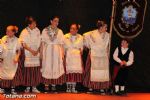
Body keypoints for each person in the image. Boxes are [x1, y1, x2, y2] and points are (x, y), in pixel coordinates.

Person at [83, 20, 110, 94]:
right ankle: (91, 87)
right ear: (100, 27)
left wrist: (107, 54)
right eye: (105, 27)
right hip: (94, 54)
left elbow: (107, 46)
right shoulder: (92, 33)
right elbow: (85, 36)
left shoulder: (107, 35)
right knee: (92, 71)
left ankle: (102, 87)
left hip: (103, 55)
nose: (106, 29)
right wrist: (89, 46)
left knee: (102, 72)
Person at [41, 16, 65, 93]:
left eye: (57, 21)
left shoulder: (60, 31)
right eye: (55, 21)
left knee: (55, 66)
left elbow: (61, 44)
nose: (56, 23)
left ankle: (54, 85)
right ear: (51, 21)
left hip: (56, 51)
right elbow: (42, 42)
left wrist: (62, 54)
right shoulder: (45, 30)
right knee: (47, 66)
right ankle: (46, 85)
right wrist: (41, 53)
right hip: (47, 50)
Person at [19, 16, 41, 93]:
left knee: (35, 70)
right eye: (33, 23)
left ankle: (34, 87)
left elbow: (40, 41)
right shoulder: (24, 32)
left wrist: (37, 50)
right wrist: (31, 51)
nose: (35, 24)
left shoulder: (37, 30)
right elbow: (23, 44)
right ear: (29, 24)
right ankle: (28, 87)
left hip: (36, 53)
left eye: (35, 23)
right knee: (28, 71)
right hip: (28, 53)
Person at [0, 25, 22, 94]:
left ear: (13, 32)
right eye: (6, 30)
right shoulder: (3, 38)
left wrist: (17, 57)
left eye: (8, 31)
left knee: (13, 74)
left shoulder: (17, 40)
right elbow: (0, 49)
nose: (6, 32)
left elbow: (19, 51)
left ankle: (13, 89)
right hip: (5, 58)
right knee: (3, 74)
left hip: (12, 59)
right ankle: (2, 88)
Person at [64, 23, 83, 93]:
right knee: (68, 71)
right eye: (71, 28)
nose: (71, 30)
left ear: (77, 30)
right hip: (68, 55)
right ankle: (68, 87)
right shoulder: (65, 36)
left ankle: (73, 87)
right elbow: (63, 47)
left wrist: (81, 51)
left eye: (74, 29)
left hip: (76, 57)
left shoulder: (80, 37)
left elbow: (81, 47)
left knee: (75, 72)